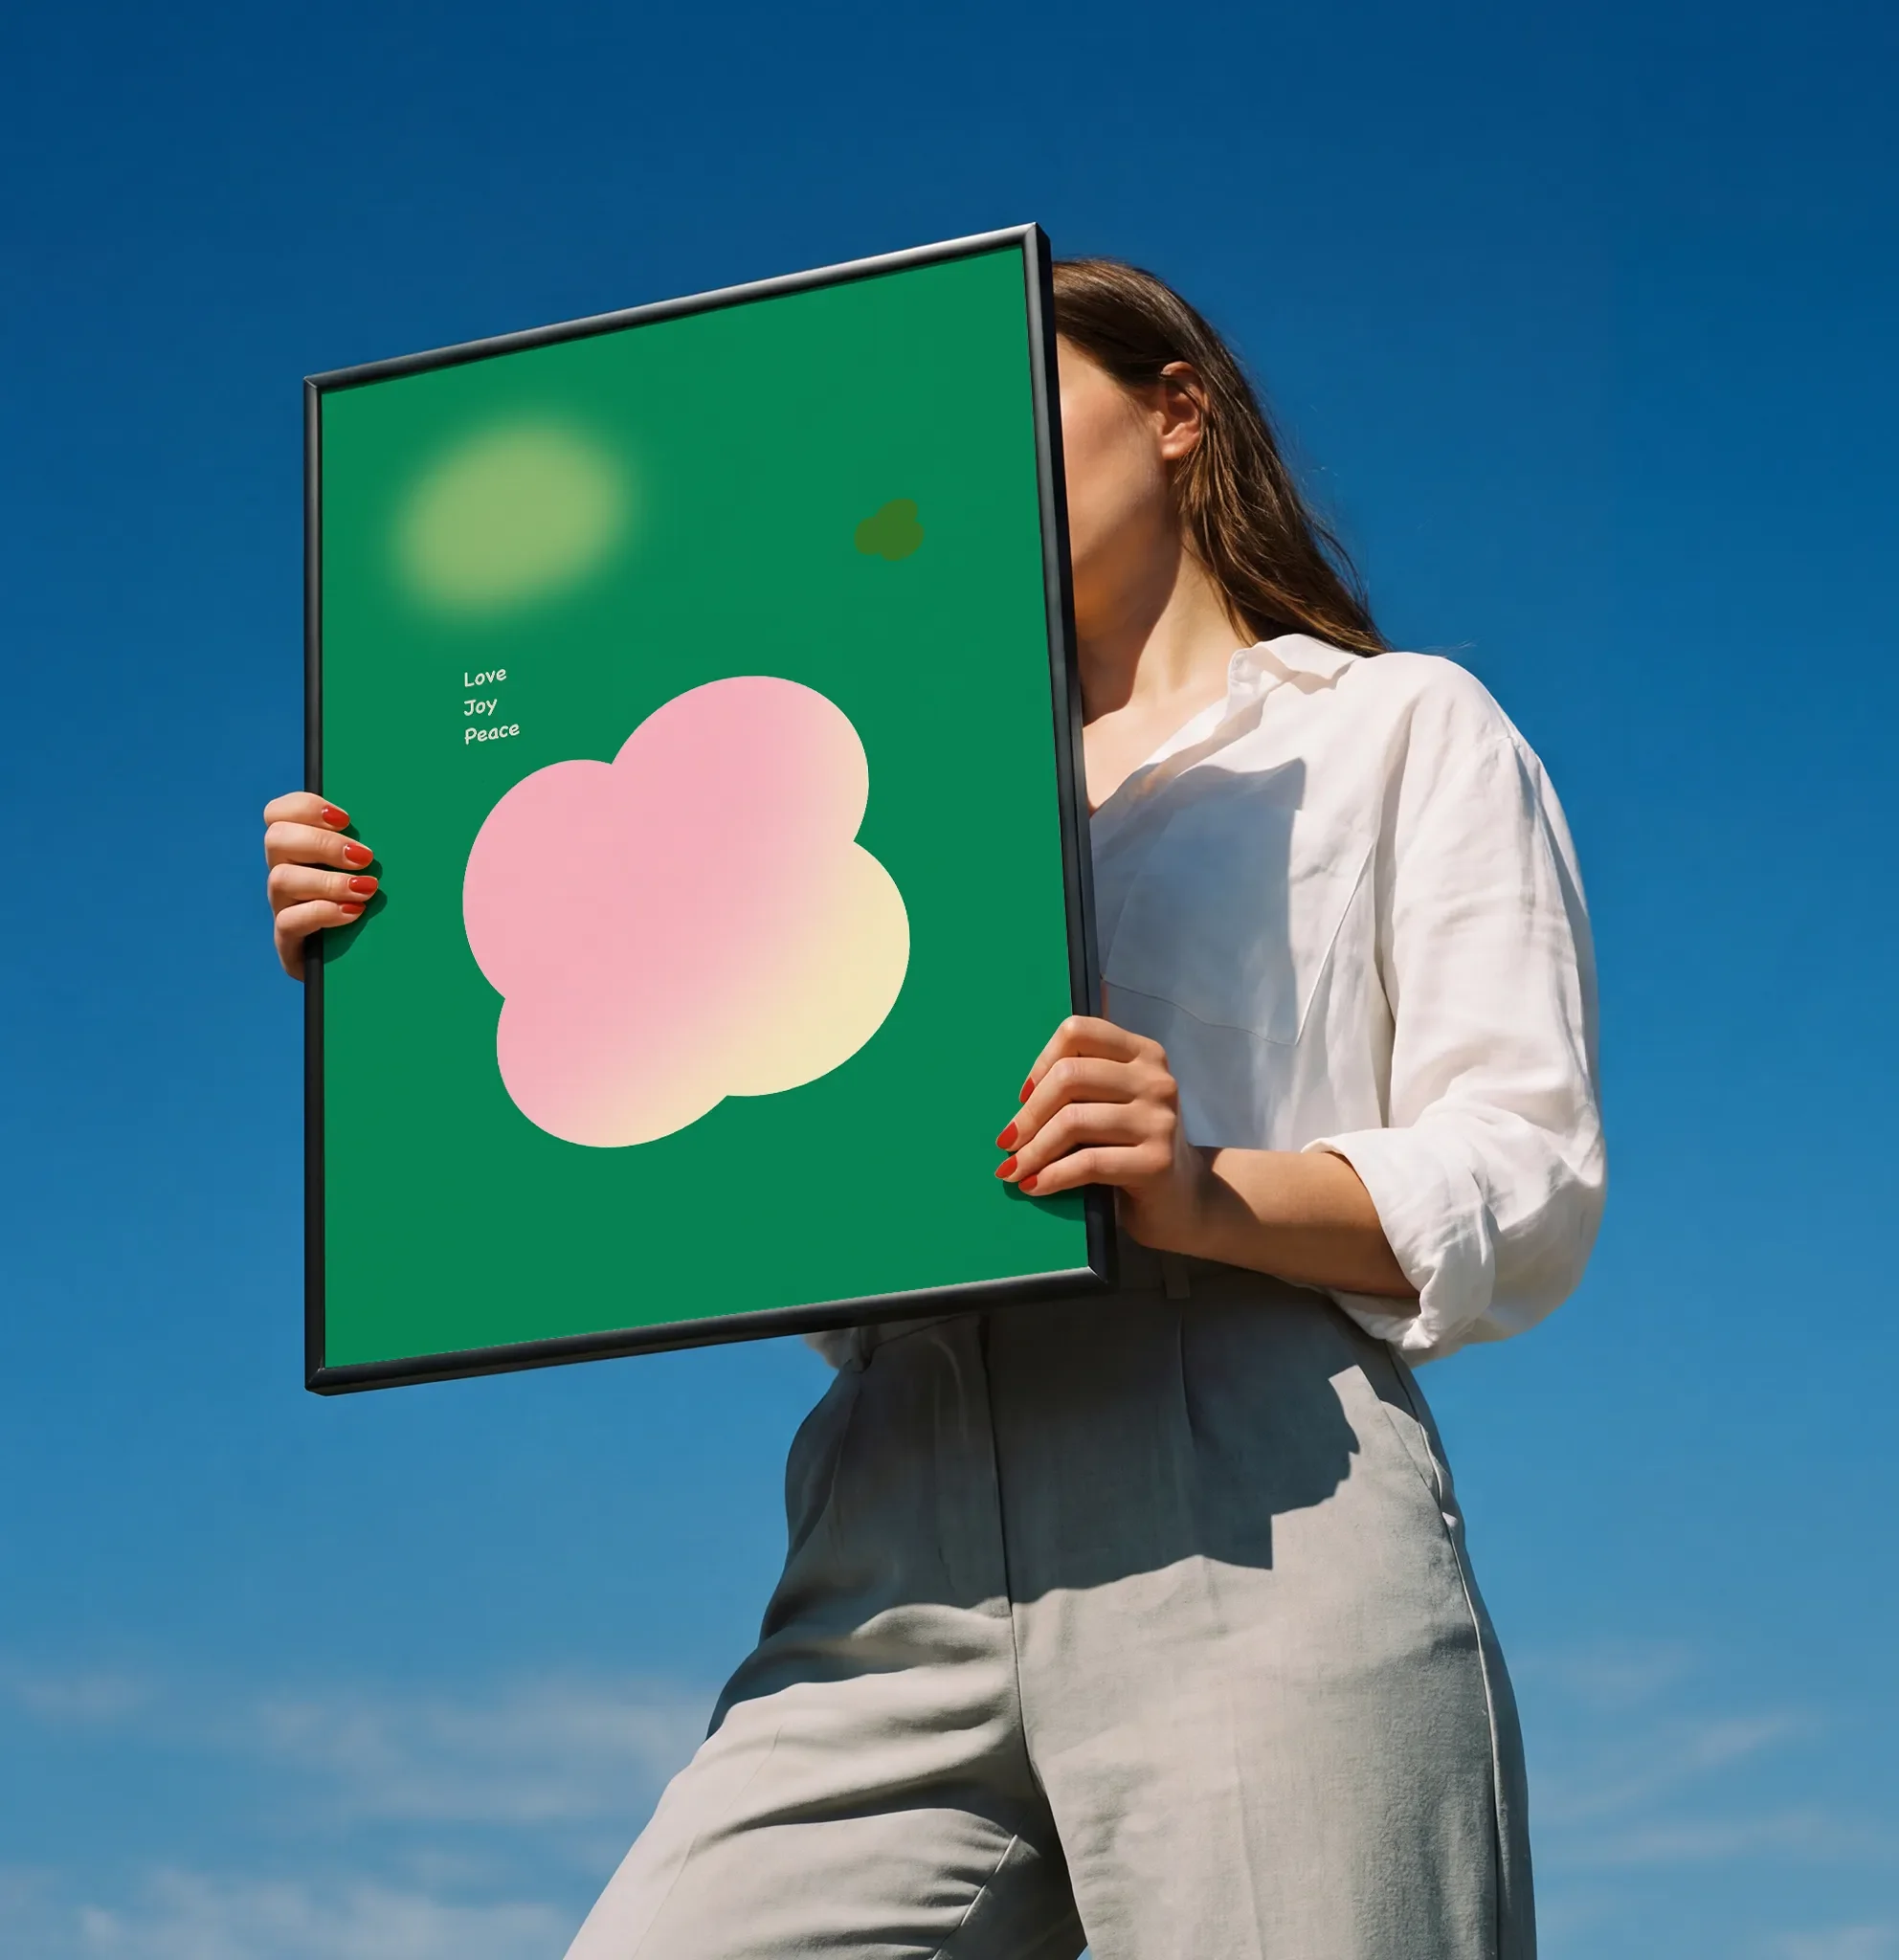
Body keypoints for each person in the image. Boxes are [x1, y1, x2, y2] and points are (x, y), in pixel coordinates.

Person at [264, 258, 1603, 1959]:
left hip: (1251, 1500)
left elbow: (1527, 1171)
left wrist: (1203, 1189)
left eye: (1008, 404)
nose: (962, 459)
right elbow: (712, 1152)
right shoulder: (863, 787)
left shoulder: (1394, 728)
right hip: (885, 1520)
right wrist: (407, 973)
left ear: (1177, 410)